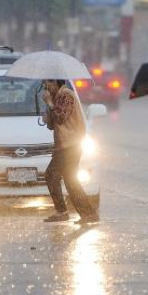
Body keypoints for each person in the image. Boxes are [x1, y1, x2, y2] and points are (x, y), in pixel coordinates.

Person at [42, 79, 99, 225]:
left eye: (49, 83)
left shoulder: (67, 95)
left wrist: (49, 103)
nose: (47, 87)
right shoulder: (57, 97)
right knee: (69, 179)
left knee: (52, 175)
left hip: (70, 145)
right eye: (44, 84)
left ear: (57, 83)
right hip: (64, 145)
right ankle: (87, 214)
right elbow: (52, 125)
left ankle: (65, 212)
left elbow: (60, 118)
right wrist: (47, 111)